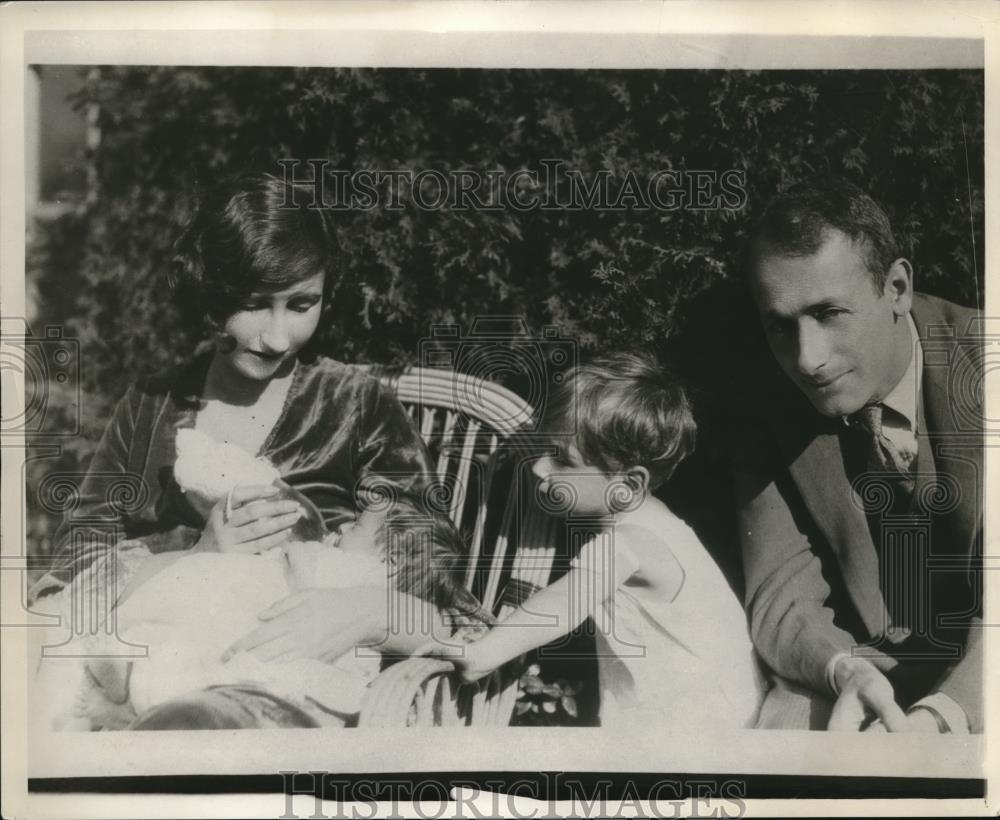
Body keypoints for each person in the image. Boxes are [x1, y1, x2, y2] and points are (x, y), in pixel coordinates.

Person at [28, 171, 454, 728]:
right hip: (137, 664)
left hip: (284, 693)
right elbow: (72, 578)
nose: (276, 337)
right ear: (209, 293)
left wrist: (359, 613)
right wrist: (198, 555)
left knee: (191, 723)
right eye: (255, 304)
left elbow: (443, 602)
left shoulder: (356, 406)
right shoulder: (151, 406)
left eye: (301, 305)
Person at [733, 176, 983, 733]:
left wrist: (940, 717)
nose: (807, 360)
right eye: (781, 326)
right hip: (859, 666)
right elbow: (781, 595)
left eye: (828, 313)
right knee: (780, 734)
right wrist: (843, 670)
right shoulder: (765, 405)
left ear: (897, 288)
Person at [446, 351, 764, 730]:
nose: (539, 467)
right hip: (715, 712)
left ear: (629, 483)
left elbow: (565, 602)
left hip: (702, 728)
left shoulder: (628, 542)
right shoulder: (653, 520)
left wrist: (483, 654)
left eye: (562, 460)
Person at [54, 494, 481, 731]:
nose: (337, 529)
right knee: (190, 672)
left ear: (390, 563)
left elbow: (303, 565)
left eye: (354, 527)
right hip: (293, 676)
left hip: (272, 671)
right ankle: (125, 700)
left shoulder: (355, 572)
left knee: (185, 668)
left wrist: (290, 549)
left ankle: (124, 692)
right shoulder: (369, 581)